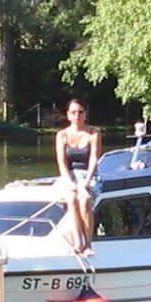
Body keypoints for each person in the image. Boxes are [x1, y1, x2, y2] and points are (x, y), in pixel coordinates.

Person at [55, 99, 101, 256]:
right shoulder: (62, 135)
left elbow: (94, 159)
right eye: (73, 112)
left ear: (85, 114)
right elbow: (61, 162)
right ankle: (77, 241)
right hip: (69, 176)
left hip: (89, 175)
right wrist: (69, 182)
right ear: (68, 115)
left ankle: (88, 243)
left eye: (80, 112)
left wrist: (86, 182)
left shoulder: (94, 133)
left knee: (85, 199)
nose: (77, 115)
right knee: (71, 197)